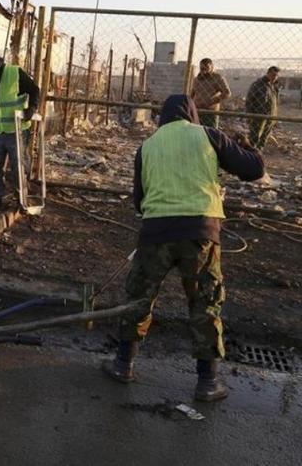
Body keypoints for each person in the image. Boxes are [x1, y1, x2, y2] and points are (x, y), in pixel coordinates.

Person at [102, 94, 265, 402]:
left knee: (139, 298)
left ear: (162, 118)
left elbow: (139, 201)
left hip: (155, 234)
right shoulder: (208, 136)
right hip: (199, 234)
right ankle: (207, 382)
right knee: (205, 302)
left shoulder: (147, 147)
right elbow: (253, 170)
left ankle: (124, 364)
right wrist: (247, 145)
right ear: (192, 114)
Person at [0, 50, 40, 205]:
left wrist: (31, 108)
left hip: (17, 129)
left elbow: (34, 90)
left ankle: (21, 197)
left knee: (19, 166)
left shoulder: (14, 73)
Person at [245, 66, 281, 149]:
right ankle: (250, 155)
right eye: (273, 75)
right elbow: (249, 100)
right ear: (267, 73)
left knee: (264, 138)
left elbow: (275, 103)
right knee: (254, 137)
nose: (274, 77)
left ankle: (258, 154)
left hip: (270, 117)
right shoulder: (258, 84)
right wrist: (249, 115)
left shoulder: (274, 86)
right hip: (258, 117)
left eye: (276, 76)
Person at [190, 58, 230, 129]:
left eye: (207, 68)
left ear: (212, 67)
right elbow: (192, 94)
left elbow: (227, 93)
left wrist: (211, 101)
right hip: (198, 111)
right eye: (202, 68)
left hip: (210, 113)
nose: (204, 71)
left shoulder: (217, 78)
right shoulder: (197, 79)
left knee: (211, 134)